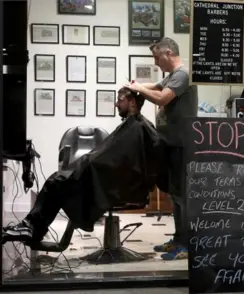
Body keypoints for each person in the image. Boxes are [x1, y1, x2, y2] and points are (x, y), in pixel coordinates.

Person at [2, 88, 164, 245]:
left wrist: (88, 164)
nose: (116, 104)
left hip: (118, 186)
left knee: (56, 183)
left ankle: (33, 227)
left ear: (132, 102)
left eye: (120, 100)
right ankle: (33, 227)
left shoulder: (138, 127)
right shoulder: (133, 126)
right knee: (57, 182)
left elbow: (122, 162)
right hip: (110, 180)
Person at [123, 37, 198, 261]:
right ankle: (178, 238)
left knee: (182, 196)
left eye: (157, 58)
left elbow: (162, 98)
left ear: (168, 53)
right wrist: (131, 87)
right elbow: (153, 87)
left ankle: (185, 244)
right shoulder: (172, 77)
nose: (156, 63)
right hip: (170, 144)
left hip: (181, 145)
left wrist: (137, 89)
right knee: (174, 195)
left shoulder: (183, 75)